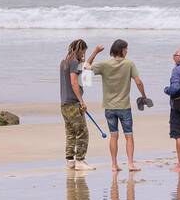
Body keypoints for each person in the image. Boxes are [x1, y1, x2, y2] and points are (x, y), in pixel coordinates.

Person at [85, 38, 148, 172]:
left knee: (114, 136)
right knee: (129, 135)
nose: (127, 51)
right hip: (124, 106)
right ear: (121, 50)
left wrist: (95, 52)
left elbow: (86, 67)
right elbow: (138, 82)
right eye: (126, 49)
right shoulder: (129, 64)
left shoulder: (104, 64)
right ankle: (130, 164)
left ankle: (114, 165)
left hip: (109, 107)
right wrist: (143, 96)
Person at [60, 38, 96, 171]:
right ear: (80, 49)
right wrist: (81, 101)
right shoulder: (74, 62)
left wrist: (94, 54)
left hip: (64, 104)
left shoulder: (64, 62)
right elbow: (74, 82)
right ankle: (80, 161)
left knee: (70, 133)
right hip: (74, 103)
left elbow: (85, 66)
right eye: (83, 52)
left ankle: (70, 161)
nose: (83, 55)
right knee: (82, 132)